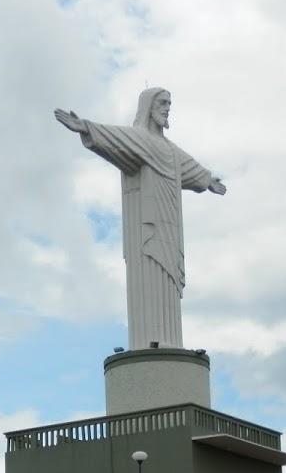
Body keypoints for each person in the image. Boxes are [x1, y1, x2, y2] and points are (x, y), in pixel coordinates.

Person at [55, 88, 226, 350]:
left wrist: (209, 180)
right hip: (145, 226)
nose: (168, 107)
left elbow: (191, 168)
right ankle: (149, 343)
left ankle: (170, 342)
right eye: (162, 102)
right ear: (148, 106)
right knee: (149, 273)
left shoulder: (170, 150)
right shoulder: (140, 140)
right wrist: (85, 128)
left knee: (169, 277)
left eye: (170, 103)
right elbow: (115, 139)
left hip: (170, 224)